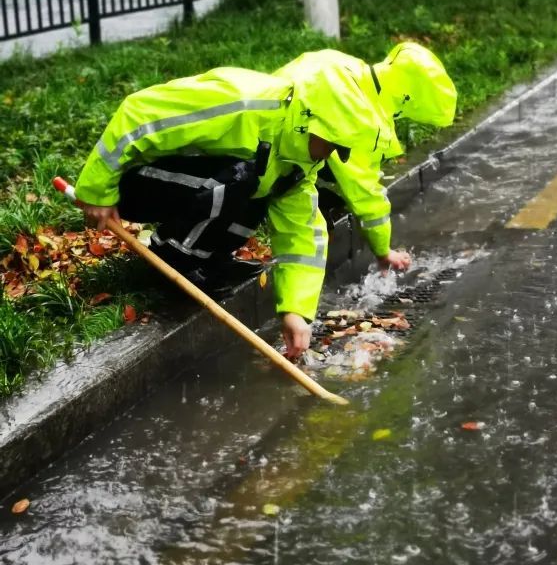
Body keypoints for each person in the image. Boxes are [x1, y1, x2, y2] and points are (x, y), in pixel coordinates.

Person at [74, 63, 391, 360]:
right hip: (137, 179)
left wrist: (296, 311)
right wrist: (98, 190)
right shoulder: (244, 103)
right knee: (244, 176)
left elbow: (302, 234)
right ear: (312, 124)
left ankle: (206, 260)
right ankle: (174, 255)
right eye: (333, 145)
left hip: (200, 185)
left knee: (260, 187)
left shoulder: (298, 161)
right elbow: (139, 114)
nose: (330, 157)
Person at [275, 41, 457, 273]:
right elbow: (366, 194)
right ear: (406, 99)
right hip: (274, 161)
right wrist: (383, 251)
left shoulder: (342, 63)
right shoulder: (362, 118)